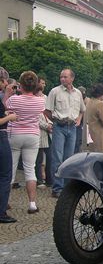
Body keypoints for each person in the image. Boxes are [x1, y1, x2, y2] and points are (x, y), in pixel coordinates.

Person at [5, 71, 45, 214]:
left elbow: (5, 108)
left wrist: (7, 94)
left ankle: (5, 201)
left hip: (14, 134)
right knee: (30, 169)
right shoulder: (40, 101)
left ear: (20, 85)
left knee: (10, 169)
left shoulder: (14, 100)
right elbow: (40, 112)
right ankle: (32, 204)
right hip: (32, 135)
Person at [45, 69, 86, 198]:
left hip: (72, 127)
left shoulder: (78, 93)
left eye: (65, 77)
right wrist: (56, 121)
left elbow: (82, 109)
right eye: (61, 77)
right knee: (57, 157)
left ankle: (67, 187)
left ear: (72, 78)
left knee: (69, 158)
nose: (62, 79)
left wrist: (79, 119)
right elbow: (47, 111)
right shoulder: (55, 91)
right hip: (60, 126)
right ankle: (57, 188)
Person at [0, 67, 18, 223]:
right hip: (1, 136)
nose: (6, 83)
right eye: (5, 80)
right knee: (5, 175)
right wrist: (10, 117)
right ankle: (1, 212)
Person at [34, 77, 52, 188]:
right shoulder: (33, 101)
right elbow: (36, 118)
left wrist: (51, 124)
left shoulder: (46, 98)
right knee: (39, 158)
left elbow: (49, 112)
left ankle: (50, 179)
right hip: (39, 132)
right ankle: (39, 180)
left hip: (48, 132)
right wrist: (46, 126)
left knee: (50, 156)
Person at [85, 84, 103, 153]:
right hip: (102, 135)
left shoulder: (89, 102)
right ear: (102, 93)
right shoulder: (101, 104)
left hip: (92, 134)